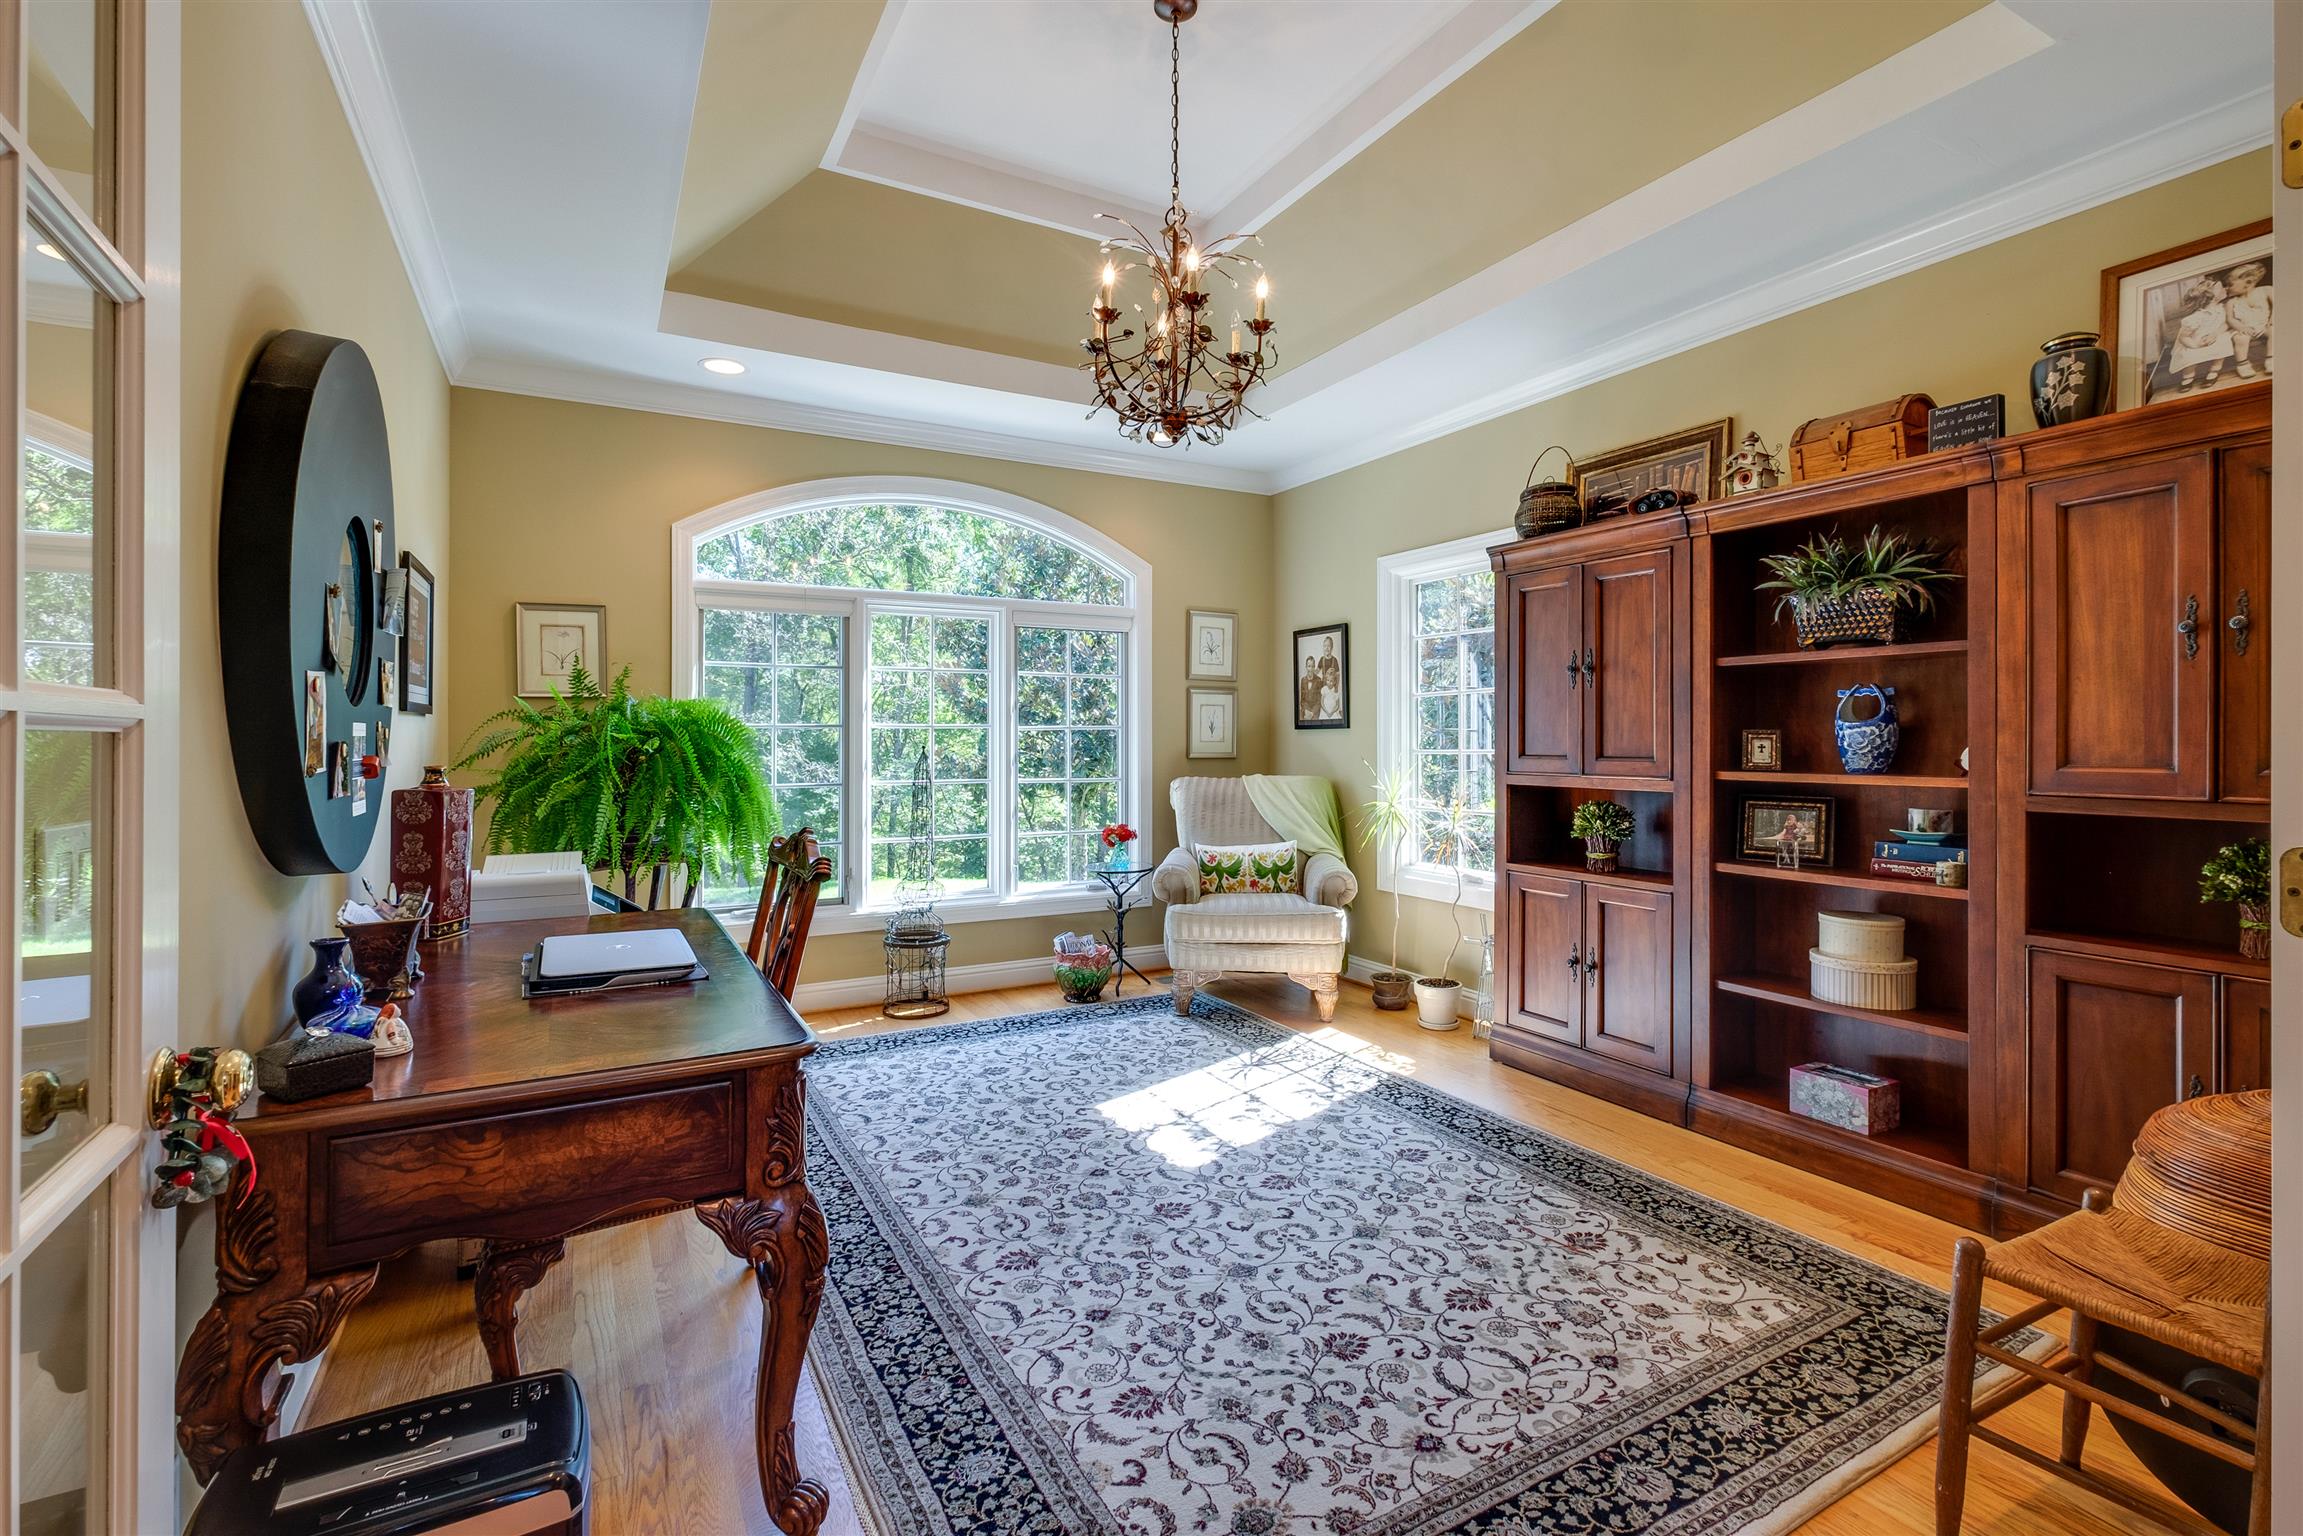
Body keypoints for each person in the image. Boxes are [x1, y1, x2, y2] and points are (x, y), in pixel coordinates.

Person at [2167, 280, 2233, 394]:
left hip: (2213, 337)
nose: (2225, 289)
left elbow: (2225, 324)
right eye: (2221, 288)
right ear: (2211, 297)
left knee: (2224, 341)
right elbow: (2183, 338)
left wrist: (2215, 334)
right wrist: (2196, 345)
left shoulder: (2222, 308)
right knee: (2189, 354)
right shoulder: (2197, 317)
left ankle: (2214, 370)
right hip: (2193, 341)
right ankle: (2188, 377)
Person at [2224, 260, 2272, 379]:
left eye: (2230, 284)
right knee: (2241, 339)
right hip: (2243, 328)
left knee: (2275, 331)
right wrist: (2242, 327)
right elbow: (2230, 319)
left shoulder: (2266, 290)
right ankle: (2242, 364)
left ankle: (2271, 358)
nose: (2227, 288)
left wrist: (2272, 320)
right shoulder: (2231, 302)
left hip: (2264, 325)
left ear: (2248, 282)